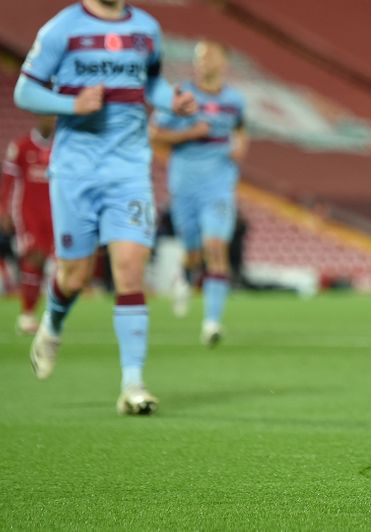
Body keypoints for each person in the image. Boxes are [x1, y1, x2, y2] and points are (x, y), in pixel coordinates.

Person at [14, 0, 197, 415]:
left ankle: (133, 385)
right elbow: (24, 90)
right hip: (76, 171)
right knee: (73, 275)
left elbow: (150, 85)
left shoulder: (147, 28)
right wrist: (71, 105)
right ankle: (53, 324)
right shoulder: (63, 27)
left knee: (130, 271)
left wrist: (173, 101)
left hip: (129, 169)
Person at [150, 39, 248, 347]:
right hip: (185, 187)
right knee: (193, 251)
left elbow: (240, 129)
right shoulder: (181, 96)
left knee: (215, 246)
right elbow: (154, 134)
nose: (205, 62)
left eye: (211, 56)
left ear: (223, 62)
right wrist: (190, 134)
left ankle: (212, 322)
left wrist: (241, 145)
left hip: (218, 186)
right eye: (200, 57)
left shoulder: (235, 100)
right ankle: (185, 274)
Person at [0, 115, 55, 335]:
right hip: (27, 213)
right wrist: (3, 208)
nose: (49, 121)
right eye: (45, 116)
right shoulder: (21, 147)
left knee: (52, 265)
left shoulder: (62, 148)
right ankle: (27, 314)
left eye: (52, 117)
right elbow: (7, 180)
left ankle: (44, 313)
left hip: (55, 214)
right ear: (37, 117)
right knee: (35, 257)